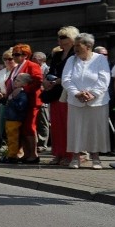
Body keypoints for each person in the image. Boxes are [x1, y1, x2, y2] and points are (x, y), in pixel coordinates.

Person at [62, 33, 111, 169]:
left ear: (88, 46)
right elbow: (66, 79)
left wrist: (92, 94)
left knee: (95, 129)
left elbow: (104, 79)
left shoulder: (100, 59)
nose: (75, 48)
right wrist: (77, 93)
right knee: (75, 129)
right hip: (75, 100)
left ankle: (96, 158)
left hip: (97, 101)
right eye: (75, 45)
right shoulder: (71, 60)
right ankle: (76, 157)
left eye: (78, 45)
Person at [43, 26, 77, 166]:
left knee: (67, 125)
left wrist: (58, 81)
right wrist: (46, 81)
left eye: (63, 37)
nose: (60, 40)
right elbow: (51, 70)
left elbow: (75, 75)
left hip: (68, 93)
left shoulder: (75, 55)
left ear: (72, 39)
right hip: (55, 93)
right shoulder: (57, 55)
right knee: (56, 126)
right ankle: (58, 153)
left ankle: (70, 155)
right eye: (59, 37)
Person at [7, 44, 43, 163]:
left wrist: (24, 89)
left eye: (17, 54)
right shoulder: (15, 68)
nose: (14, 57)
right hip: (19, 103)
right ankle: (26, 154)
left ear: (26, 55)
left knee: (29, 127)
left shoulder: (32, 65)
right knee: (22, 128)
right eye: (13, 54)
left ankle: (33, 154)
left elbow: (38, 81)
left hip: (30, 101)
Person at [1, 73, 32, 164]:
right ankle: (11, 153)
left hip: (15, 119)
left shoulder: (21, 94)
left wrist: (11, 100)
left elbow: (21, 106)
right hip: (10, 118)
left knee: (13, 138)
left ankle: (12, 155)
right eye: (15, 80)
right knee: (10, 137)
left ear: (25, 84)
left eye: (18, 80)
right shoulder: (15, 92)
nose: (15, 82)